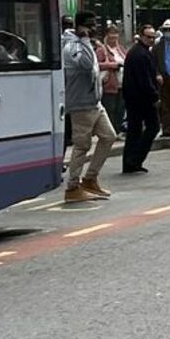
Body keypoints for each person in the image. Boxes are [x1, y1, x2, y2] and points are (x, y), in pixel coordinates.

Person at [61, 11, 119, 202]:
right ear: (78, 26)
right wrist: (86, 42)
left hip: (94, 102)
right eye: (89, 25)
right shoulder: (71, 46)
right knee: (82, 145)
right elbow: (86, 65)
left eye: (95, 24)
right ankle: (72, 187)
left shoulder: (85, 44)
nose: (93, 29)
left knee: (109, 136)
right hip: (81, 104)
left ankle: (90, 178)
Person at [120, 25, 159, 175]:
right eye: (148, 37)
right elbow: (145, 80)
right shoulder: (140, 54)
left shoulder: (139, 52)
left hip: (134, 97)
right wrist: (154, 96)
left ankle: (131, 162)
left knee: (135, 130)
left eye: (153, 37)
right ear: (141, 36)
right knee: (152, 127)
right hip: (141, 99)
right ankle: (134, 159)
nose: (151, 40)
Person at [96, 25, 126, 134]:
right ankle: (110, 132)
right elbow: (96, 65)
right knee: (110, 109)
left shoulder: (121, 49)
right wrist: (113, 65)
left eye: (115, 36)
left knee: (120, 109)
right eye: (111, 36)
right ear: (106, 36)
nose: (114, 38)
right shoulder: (101, 50)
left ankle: (117, 131)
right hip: (109, 85)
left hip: (122, 84)